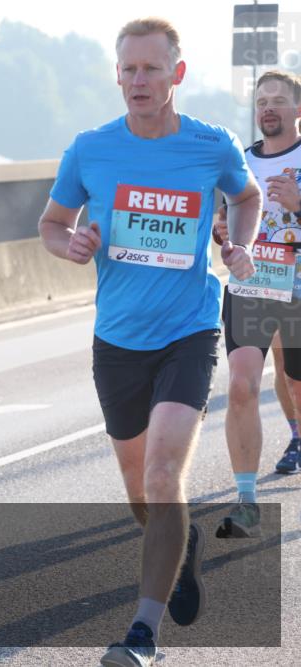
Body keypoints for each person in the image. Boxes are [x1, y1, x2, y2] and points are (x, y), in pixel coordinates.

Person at [37, 17, 261, 667]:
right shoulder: (90, 149)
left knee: (165, 473)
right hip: (117, 341)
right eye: (128, 69)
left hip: (189, 330)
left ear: (177, 75)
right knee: (144, 493)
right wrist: (70, 244)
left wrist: (239, 242)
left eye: (151, 69)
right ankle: (180, 545)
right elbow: (52, 223)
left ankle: (143, 632)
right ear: (117, 75)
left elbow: (244, 196)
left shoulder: (210, 145)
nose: (138, 80)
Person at [213, 72, 301, 523]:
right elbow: (220, 225)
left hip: (299, 290)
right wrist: (222, 232)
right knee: (242, 385)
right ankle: (246, 503)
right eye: (261, 100)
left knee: (295, 382)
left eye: (279, 100)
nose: (268, 107)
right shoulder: (240, 164)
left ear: (297, 109)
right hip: (250, 287)